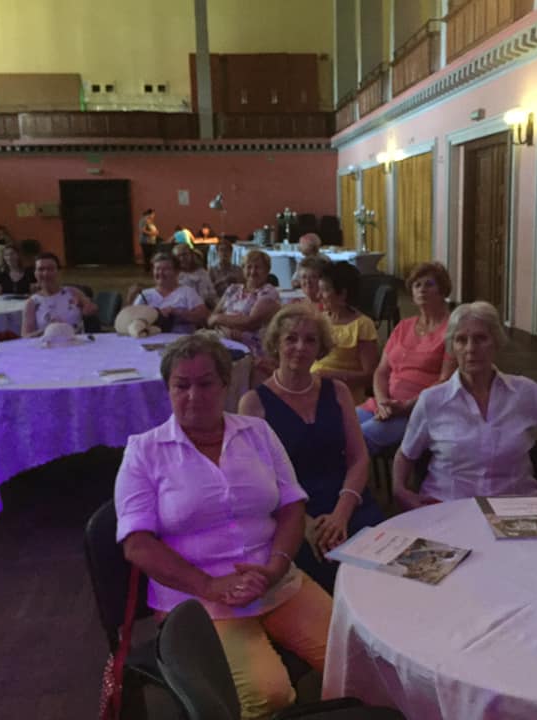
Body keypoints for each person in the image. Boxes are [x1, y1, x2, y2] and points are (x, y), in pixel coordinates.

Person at [115, 333, 332, 720]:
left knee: (353, 657)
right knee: (269, 695)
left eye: (205, 384)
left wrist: (275, 568)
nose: (193, 396)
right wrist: (209, 585)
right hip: (198, 601)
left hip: (276, 580)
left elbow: (291, 506)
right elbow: (137, 544)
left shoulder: (257, 433)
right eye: (182, 385)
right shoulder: (144, 451)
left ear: (225, 385)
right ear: (168, 389)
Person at [393, 302, 537, 510]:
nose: (471, 349)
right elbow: (405, 455)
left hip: (516, 510)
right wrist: (399, 489)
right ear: (452, 348)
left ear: (497, 342)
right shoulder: (432, 400)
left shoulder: (525, 393)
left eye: (480, 338)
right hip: (449, 507)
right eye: (461, 340)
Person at [239, 305, 384, 593]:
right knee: (328, 579)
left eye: (310, 340)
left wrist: (341, 514)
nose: (300, 347)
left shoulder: (338, 391)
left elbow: (358, 458)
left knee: (384, 569)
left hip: (348, 499)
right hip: (292, 510)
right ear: (276, 343)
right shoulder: (254, 404)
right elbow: (259, 480)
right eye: (291, 338)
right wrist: (303, 524)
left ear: (320, 348)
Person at [356, 262, 457, 455]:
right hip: (384, 405)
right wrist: (383, 402)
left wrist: (407, 406)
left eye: (429, 284)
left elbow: (446, 381)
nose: (422, 289)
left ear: (443, 290)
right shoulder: (404, 326)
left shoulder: (453, 330)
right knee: (336, 426)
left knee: (358, 439)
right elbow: (381, 371)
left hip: (419, 412)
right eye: (417, 285)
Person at [310, 262, 379, 404]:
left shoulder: (362, 325)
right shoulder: (320, 319)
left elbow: (370, 376)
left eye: (324, 290)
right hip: (312, 388)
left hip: (343, 397)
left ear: (342, 294)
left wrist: (333, 376)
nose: (318, 295)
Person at [208, 250, 281, 358]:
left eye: (258, 267)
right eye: (249, 267)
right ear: (243, 269)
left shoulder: (268, 292)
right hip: (223, 338)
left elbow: (250, 322)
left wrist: (219, 319)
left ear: (267, 270)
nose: (253, 271)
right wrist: (222, 324)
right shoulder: (233, 289)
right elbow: (211, 319)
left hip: (250, 347)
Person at [21, 252, 97, 337]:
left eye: (50, 269)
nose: (45, 273)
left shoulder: (72, 292)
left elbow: (92, 309)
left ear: (58, 272)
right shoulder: (32, 303)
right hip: (48, 345)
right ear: (35, 273)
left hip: (77, 343)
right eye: (41, 269)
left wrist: (88, 307)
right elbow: (25, 336)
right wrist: (48, 330)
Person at [133, 252, 208, 334]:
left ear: (177, 272)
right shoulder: (145, 294)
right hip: (149, 338)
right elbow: (130, 320)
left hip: (181, 339)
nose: (160, 273)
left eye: (166, 269)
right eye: (157, 269)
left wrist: (178, 312)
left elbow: (203, 317)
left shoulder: (187, 292)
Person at [173, 243, 218, 308]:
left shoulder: (202, 272)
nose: (182, 258)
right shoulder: (173, 275)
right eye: (178, 256)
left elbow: (212, 294)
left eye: (184, 254)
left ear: (191, 254)